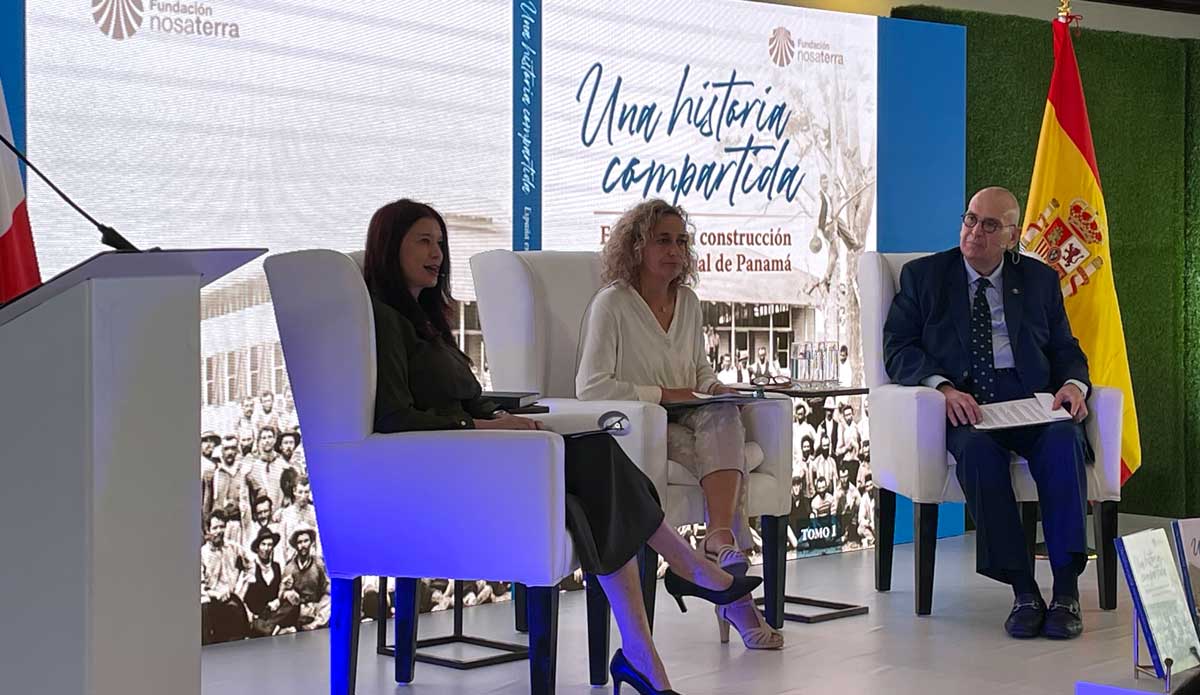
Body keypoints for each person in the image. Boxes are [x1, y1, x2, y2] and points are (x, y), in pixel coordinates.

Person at [364, 198, 765, 693]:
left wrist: (503, 415)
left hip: (483, 449)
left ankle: (644, 650)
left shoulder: (427, 321)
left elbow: (462, 397)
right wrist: (482, 425)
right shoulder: (385, 319)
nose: (437, 254)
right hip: (455, 465)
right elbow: (395, 417)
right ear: (390, 247)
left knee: (600, 470)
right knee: (598, 458)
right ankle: (690, 571)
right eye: (424, 242)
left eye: (440, 243)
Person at [882, 186, 1091, 640]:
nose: (975, 231)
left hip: (1030, 401)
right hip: (968, 404)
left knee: (1064, 439)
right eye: (970, 219)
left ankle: (1066, 591)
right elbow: (898, 348)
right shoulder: (924, 277)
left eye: (990, 225)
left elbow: (1064, 348)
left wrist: (1074, 386)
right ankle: (1024, 591)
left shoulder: (1038, 279)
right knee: (977, 453)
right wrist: (943, 388)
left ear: (1012, 236)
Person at [576, 198, 783, 652]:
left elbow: (698, 370)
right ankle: (737, 599)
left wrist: (716, 387)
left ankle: (718, 540)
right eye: (663, 241)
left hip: (693, 415)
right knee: (728, 456)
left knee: (724, 415)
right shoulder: (611, 304)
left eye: (681, 241)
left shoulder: (688, 301)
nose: (675, 251)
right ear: (636, 247)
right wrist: (664, 395)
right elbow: (591, 387)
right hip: (639, 428)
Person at [200, 511, 249, 644]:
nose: (219, 531)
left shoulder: (233, 547)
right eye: (215, 528)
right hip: (211, 599)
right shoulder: (202, 553)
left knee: (237, 613)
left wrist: (241, 589)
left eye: (222, 527)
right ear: (208, 530)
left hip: (231, 598)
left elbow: (250, 566)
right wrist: (215, 594)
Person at [241, 526, 299, 636]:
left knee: (293, 605)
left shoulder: (276, 567)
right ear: (257, 548)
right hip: (257, 615)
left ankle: (270, 629)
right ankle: (277, 630)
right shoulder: (251, 568)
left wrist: (283, 589)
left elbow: (278, 595)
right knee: (256, 623)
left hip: (274, 614)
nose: (266, 548)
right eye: (263, 544)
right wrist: (250, 615)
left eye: (270, 545)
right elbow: (242, 597)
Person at [282, 526, 330, 631]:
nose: (303, 545)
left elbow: (327, 587)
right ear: (295, 545)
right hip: (298, 608)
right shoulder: (290, 567)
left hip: (316, 607)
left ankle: (314, 625)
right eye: (299, 542)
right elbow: (281, 593)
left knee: (331, 600)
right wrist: (288, 592)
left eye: (306, 541)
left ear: (311, 542)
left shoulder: (319, 563)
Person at [245, 425, 294, 518]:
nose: (267, 441)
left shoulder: (284, 465)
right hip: (262, 517)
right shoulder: (253, 468)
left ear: (275, 439)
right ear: (259, 441)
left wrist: (283, 510)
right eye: (264, 438)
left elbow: (289, 496)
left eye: (270, 437)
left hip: (280, 515)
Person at [279, 476, 320, 560]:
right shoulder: (286, 513)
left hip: (311, 559)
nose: (303, 496)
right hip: (292, 559)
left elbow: (318, 540)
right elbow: (282, 541)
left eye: (306, 492)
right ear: (294, 491)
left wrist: (318, 559)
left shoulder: (314, 512)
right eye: (300, 492)